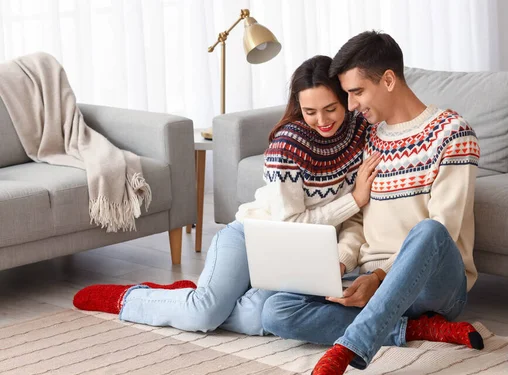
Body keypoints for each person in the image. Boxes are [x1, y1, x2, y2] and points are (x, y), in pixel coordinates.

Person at [72, 55, 381, 336]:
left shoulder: (360, 134)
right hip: (250, 238)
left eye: (331, 109)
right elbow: (294, 223)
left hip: (297, 258)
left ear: (345, 101)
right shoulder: (288, 145)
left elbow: (356, 219)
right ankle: (133, 298)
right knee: (203, 315)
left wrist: (340, 259)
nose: (322, 121)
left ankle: (203, 295)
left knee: (255, 320)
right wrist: (354, 198)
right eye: (309, 111)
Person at [260, 32, 484, 375]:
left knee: (427, 229)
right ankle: (413, 329)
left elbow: (442, 232)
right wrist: (342, 263)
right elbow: (360, 221)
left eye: (356, 92)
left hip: (436, 285)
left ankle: (344, 352)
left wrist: (379, 278)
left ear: (389, 80)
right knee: (276, 310)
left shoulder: (452, 134)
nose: (350, 105)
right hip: (372, 278)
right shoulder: (373, 139)